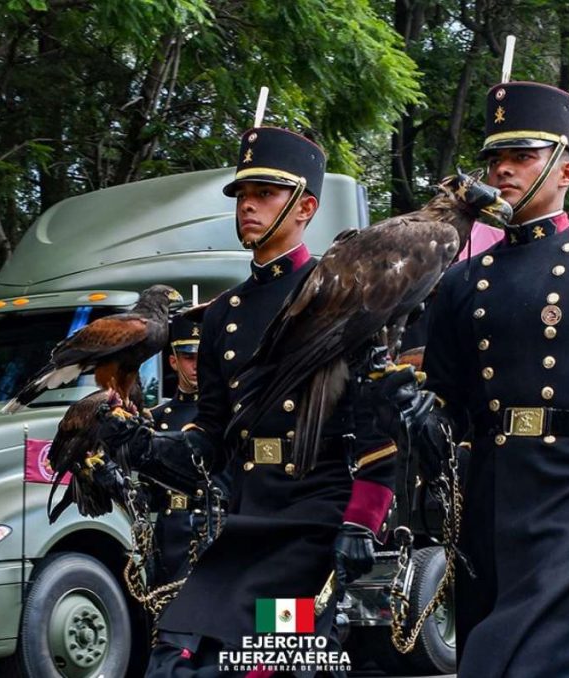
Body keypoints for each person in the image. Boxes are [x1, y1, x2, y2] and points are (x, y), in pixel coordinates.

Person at [373, 80, 569, 677]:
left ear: (566, 170)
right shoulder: (464, 279)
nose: (503, 170)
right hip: (491, 500)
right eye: (494, 158)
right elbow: (450, 400)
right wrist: (415, 410)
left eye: (522, 157)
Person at [101, 127, 396, 676]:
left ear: (306, 207)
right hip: (248, 516)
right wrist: (143, 447)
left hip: (314, 517)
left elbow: (378, 426)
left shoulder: (339, 297)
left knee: (268, 664)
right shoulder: (222, 314)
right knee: (179, 661)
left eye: (265, 193)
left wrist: (362, 524)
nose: (248, 206)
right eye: (242, 195)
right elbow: (210, 437)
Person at [148, 314, 207, 588]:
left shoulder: (228, 415)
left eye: (202, 357)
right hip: (170, 534)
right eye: (188, 357)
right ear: (174, 361)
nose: (196, 365)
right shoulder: (155, 419)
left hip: (216, 527)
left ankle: (305, 625)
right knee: (166, 619)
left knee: (248, 617)